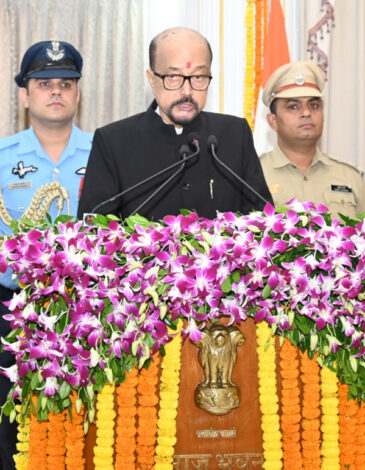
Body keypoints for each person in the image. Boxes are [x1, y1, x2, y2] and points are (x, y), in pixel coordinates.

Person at [0, 39, 91, 470]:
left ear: (77, 93)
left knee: (87, 421)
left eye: (65, 83)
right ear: (24, 94)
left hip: (88, 311)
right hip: (14, 311)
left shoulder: (106, 152)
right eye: (43, 83)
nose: (55, 91)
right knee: (12, 425)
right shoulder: (1, 159)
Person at [78, 27, 273, 221]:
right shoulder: (114, 141)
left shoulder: (234, 134)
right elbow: (95, 232)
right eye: (173, 77)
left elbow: (262, 221)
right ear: (152, 79)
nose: (187, 91)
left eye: (198, 77)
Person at [259, 60, 365, 219]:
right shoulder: (254, 174)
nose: (306, 113)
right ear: (273, 121)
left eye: (313, 106)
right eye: (293, 106)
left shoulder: (350, 177)